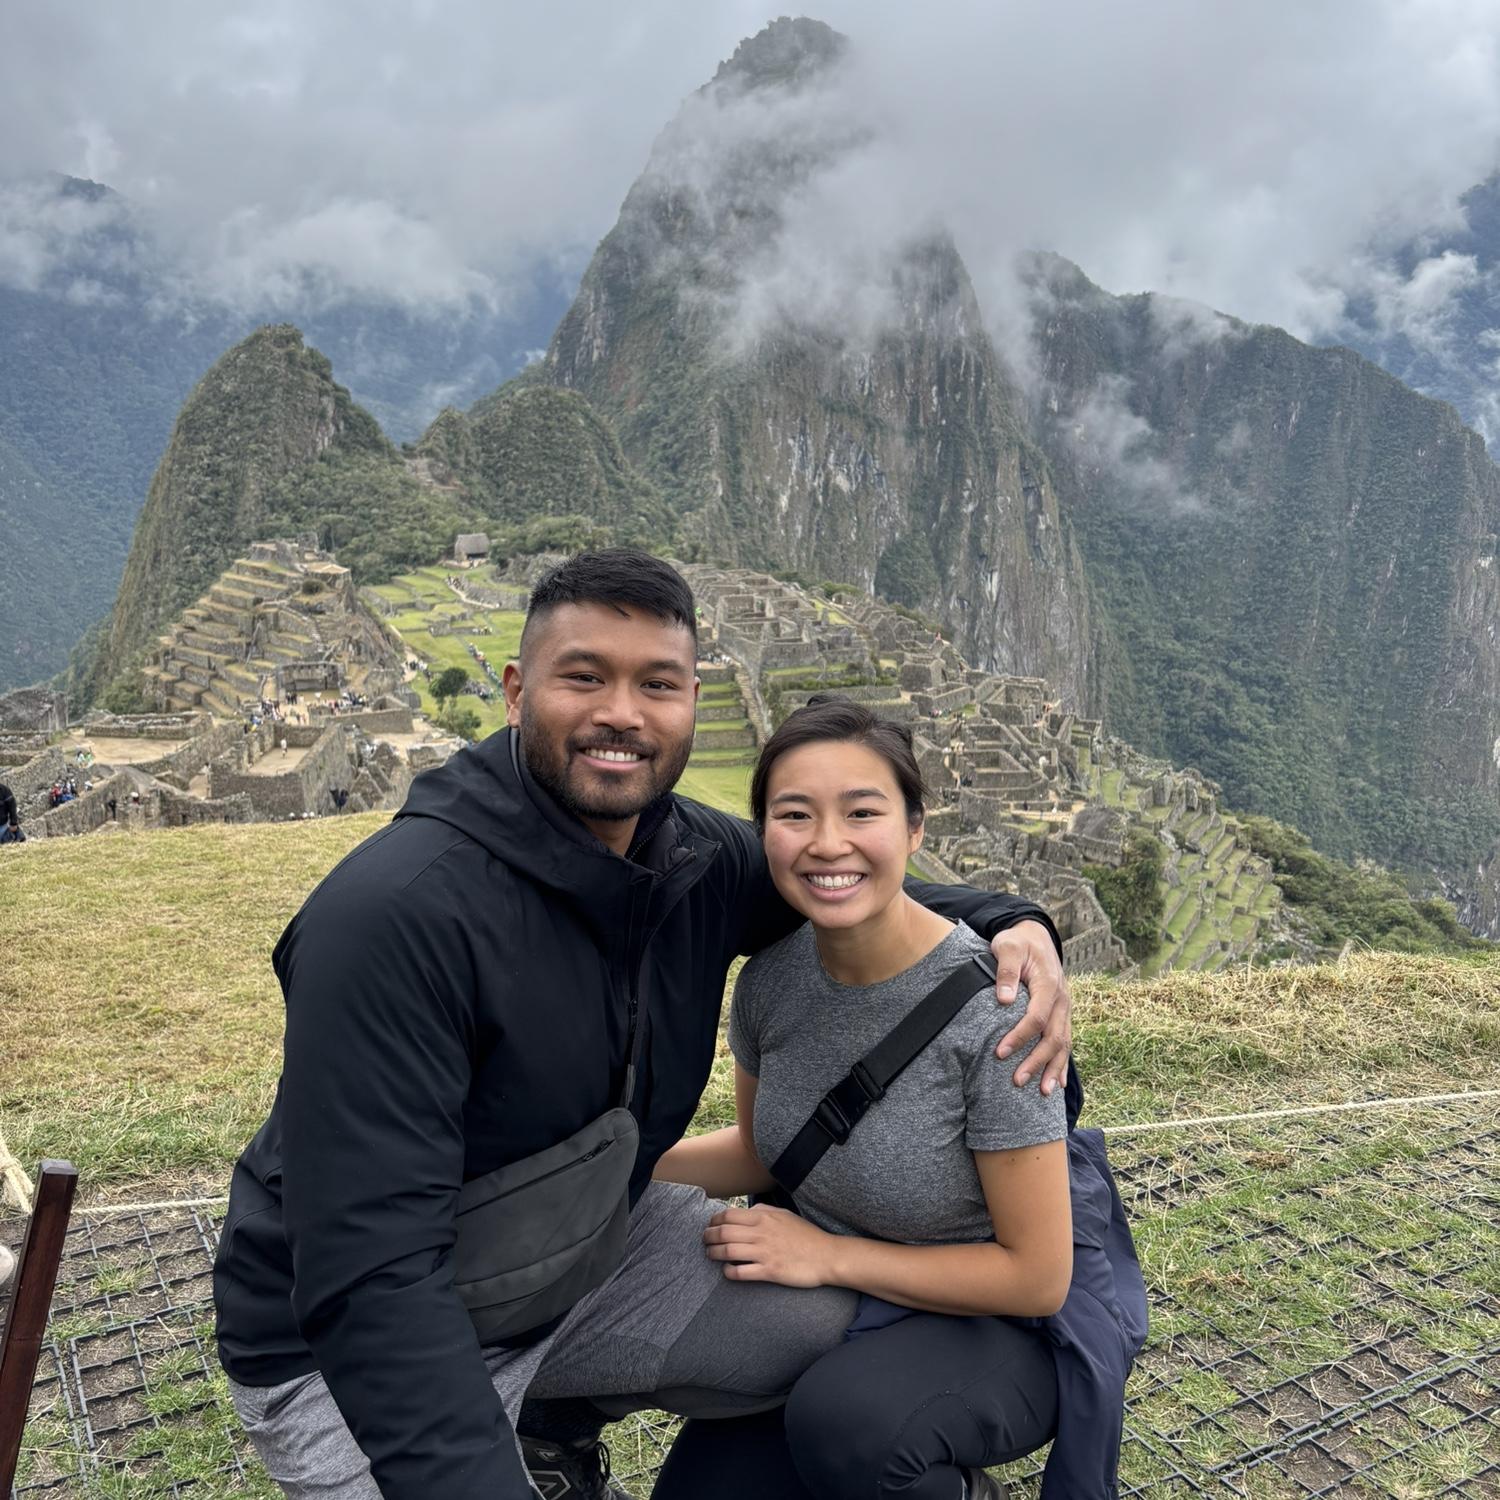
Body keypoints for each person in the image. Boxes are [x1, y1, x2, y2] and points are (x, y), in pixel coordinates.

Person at [213, 550, 1074, 1500]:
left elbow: (841, 878)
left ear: (691, 701)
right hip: (350, 1344)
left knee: (816, 1319)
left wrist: (1010, 920)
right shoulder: (395, 919)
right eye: (584, 676)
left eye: (656, 684)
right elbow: (370, 1279)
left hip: (583, 1253)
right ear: (515, 689)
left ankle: (553, 1427)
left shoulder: (694, 861)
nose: (621, 712)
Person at [652, 701, 1144, 1500]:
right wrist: (616, 1167)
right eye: (795, 814)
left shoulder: (1000, 1013)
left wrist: (827, 1256)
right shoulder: (770, 983)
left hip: (998, 1327)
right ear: (764, 834)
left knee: (848, 1427)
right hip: (843, 1306)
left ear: (914, 831)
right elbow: (756, 1150)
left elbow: (1036, 1276)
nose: (828, 843)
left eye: (862, 812)